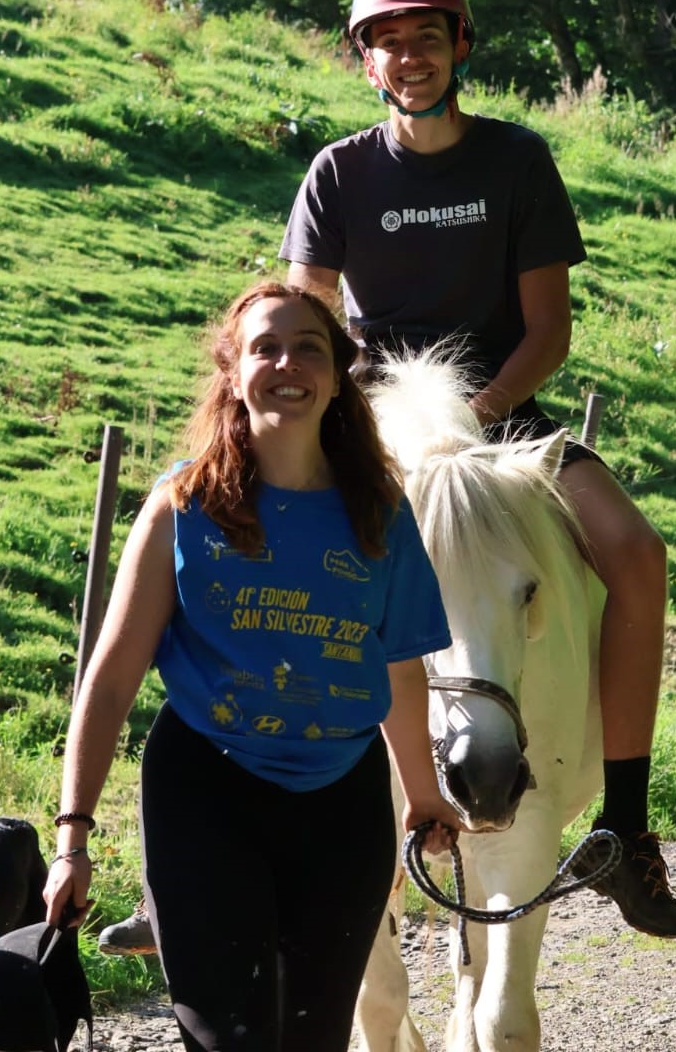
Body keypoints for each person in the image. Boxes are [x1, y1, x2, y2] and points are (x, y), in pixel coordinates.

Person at [279, 0, 676, 940]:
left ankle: (625, 828)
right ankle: (216, 837)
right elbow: (308, 321)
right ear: (367, 62)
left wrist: (481, 411)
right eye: (388, 43)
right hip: (378, 430)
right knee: (241, 550)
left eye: (427, 38)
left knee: (637, 552)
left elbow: (548, 329)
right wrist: (357, 423)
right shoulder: (338, 173)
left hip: (504, 425)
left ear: (460, 46)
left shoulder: (516, 160)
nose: (409, 57)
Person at [45, 279, 459, 1052]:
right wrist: (73, 838)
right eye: (264, 348)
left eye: (308, 348)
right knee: (226, 1038)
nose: (286, 364)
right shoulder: (183, 506)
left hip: (343, 808)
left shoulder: (380, 513)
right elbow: (111, 677)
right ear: (233, 373)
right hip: (206, 794)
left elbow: (399, 665)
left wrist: (423, 793)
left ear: (338, 376)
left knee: (314, 1038)